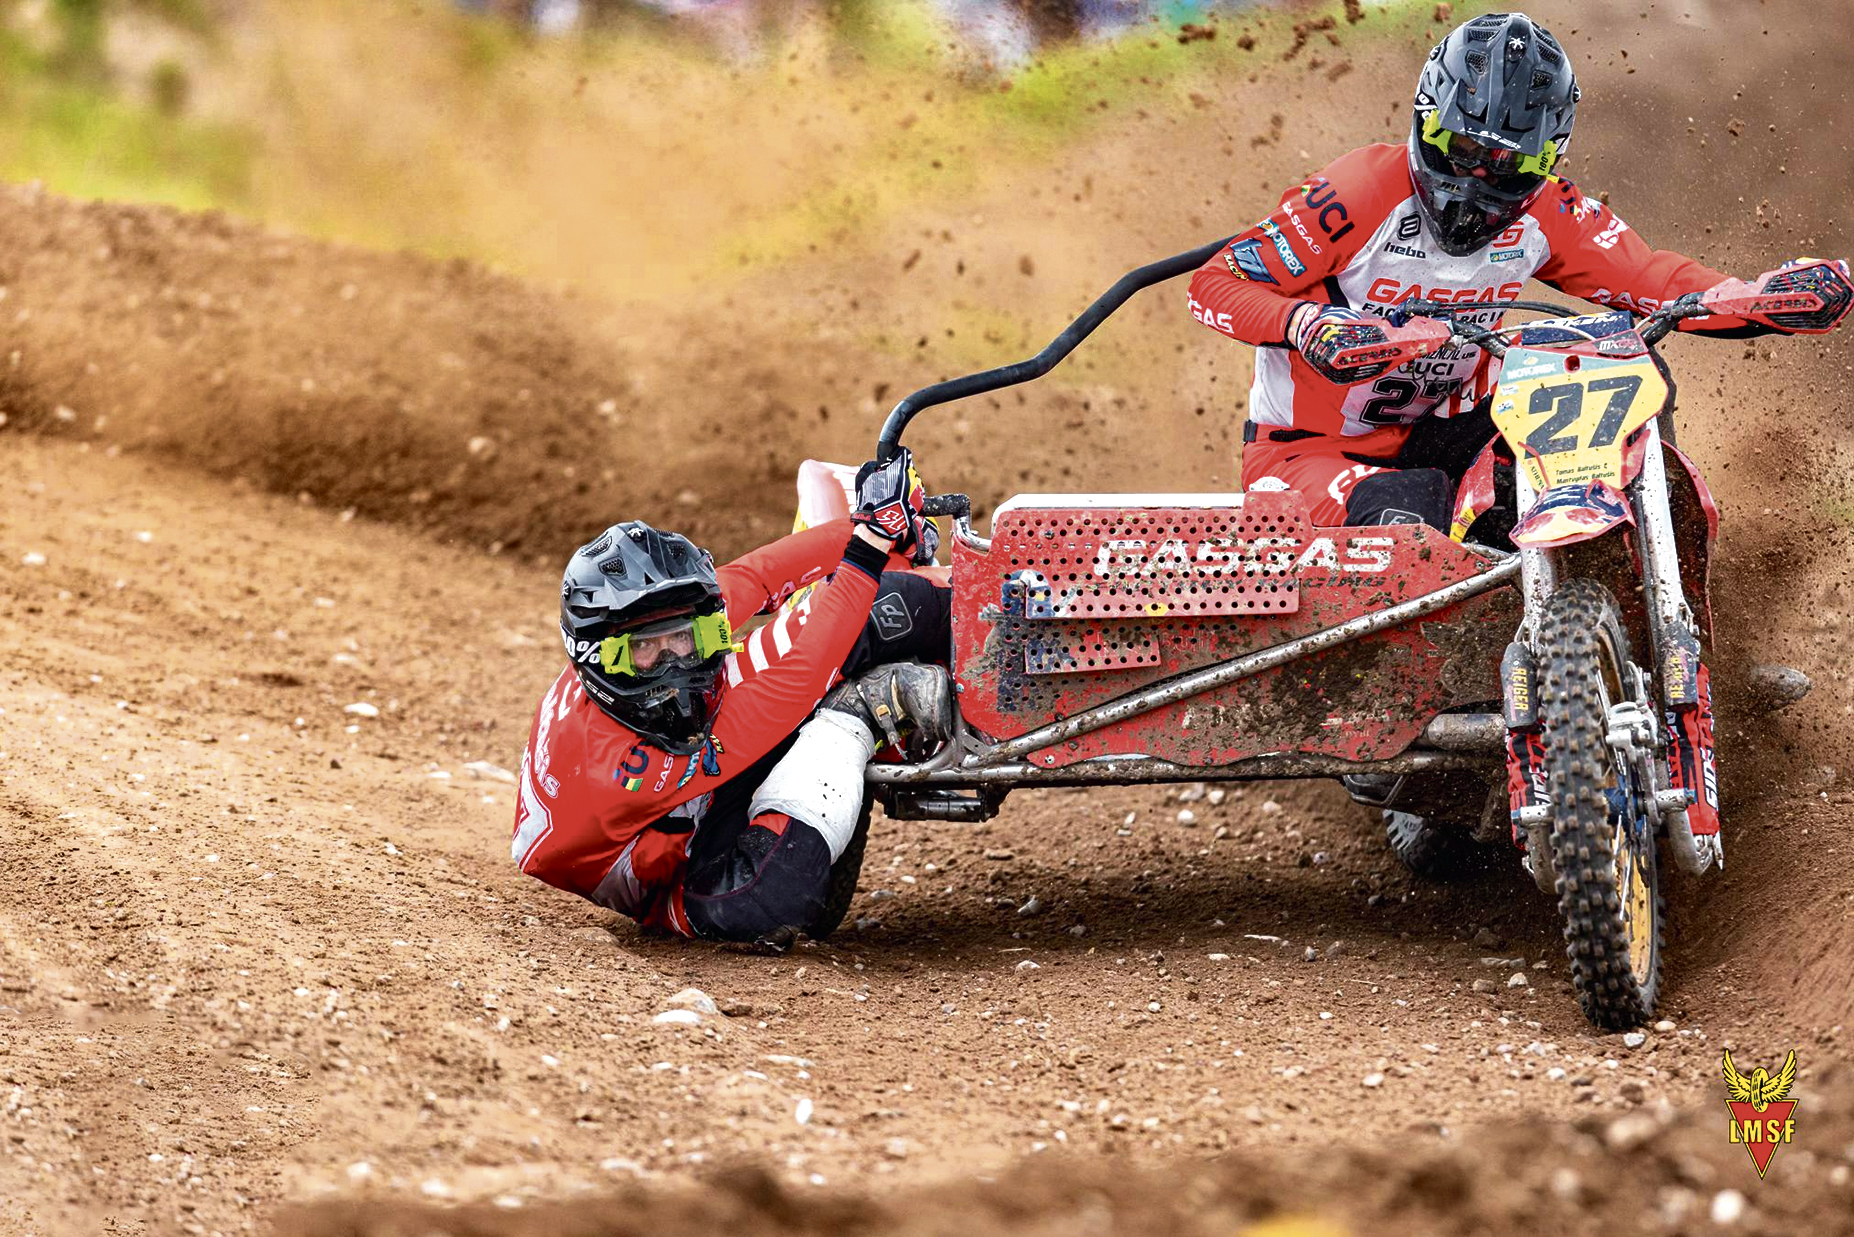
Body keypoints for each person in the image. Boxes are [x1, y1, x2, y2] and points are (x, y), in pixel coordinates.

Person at [1187, 10, 1848, 534]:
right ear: (1426, 119)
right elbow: (1214, 284)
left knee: (1620, 376)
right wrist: (1307, 324)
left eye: (1509, 167)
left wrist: (1761, 296)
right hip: (1309, 453)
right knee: (1415, 515)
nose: (1477, 181)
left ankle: (1645, 586)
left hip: (1450, 431)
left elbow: (1656, 281)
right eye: (1461, 149)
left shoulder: (1550, 213)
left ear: (1548, 160)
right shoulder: (1357, 193)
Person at [510, 449, 954, 944]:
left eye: (685, 639)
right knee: (772, 895)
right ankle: (857, 712)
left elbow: (758, 577)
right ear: (597, 660)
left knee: (882, 603)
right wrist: (869, 545)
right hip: (685, 878)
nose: (674, 664)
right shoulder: (619, 771)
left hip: (682, 804)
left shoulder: (638, 628)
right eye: (644, 651)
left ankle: (1007, 604)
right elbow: (799, 679)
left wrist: (870, 526)